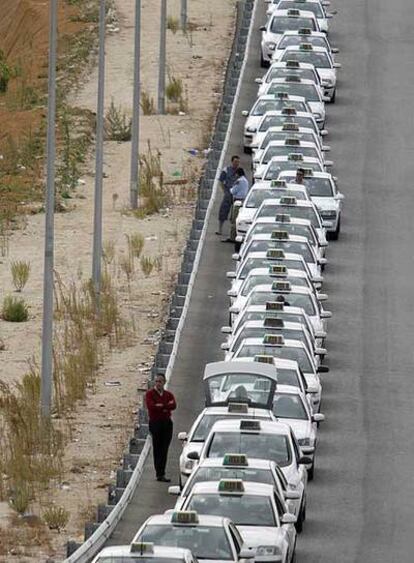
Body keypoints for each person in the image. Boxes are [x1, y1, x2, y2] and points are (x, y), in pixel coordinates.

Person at [145, 374, 176, 482]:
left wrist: (161, 406)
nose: (158, 383)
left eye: (160, 381)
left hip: (167, 424)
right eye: (156, 381)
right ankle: (159, 473)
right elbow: (151, 407)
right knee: (157, 448)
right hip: (155, 423)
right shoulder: (150, 394)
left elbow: (173, 405)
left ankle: (162, 472)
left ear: (164, 382)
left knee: (164, 448)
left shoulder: (168, 394)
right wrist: (165, 406)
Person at [224, 167, 250, 250]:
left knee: (234, 219)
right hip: (243, 201)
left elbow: (233, 191)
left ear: (238, 174)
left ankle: (232, 237)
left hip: (237, 201)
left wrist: (230, 188)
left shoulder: (239, 181)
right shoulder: (245, 181)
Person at [217, 155, 240, 236]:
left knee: (235, 215)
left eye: (238, 162)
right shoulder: (226, 170)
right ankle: (220, 229)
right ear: (232, 162)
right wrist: (224, 191)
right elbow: (220, 181)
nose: (236, 164)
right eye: (235, 162)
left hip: (237, 195)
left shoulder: (240, 171)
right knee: (223, 211)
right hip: (228, 193)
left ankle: (233, 233)